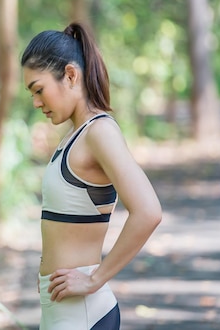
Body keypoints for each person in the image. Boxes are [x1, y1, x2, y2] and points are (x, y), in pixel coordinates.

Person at [21, 22, 162, 330]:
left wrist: (94, 279)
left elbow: (148, 211)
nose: (36, 102)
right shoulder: (74, 136)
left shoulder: (100, 132)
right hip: (62, 314)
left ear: (71, 75)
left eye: (39, 90)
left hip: (82, 315)